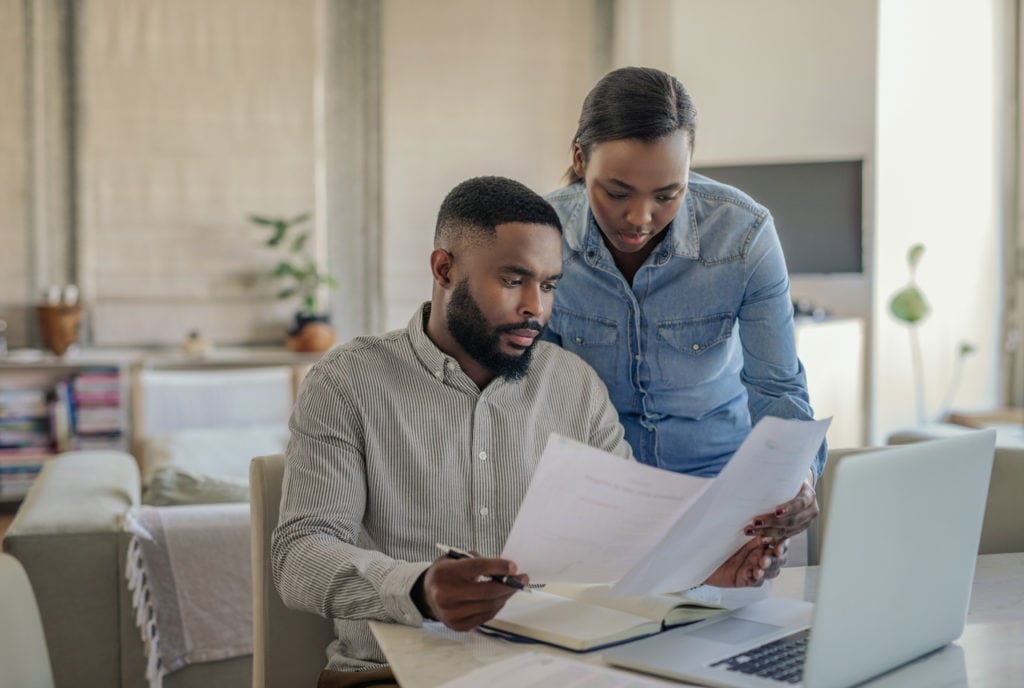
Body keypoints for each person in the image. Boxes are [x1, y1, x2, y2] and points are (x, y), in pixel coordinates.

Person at [272, 176, 787, 685]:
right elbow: (300, 554)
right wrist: (419, 589)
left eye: (548, 285)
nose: (535, 308)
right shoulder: (347, 382)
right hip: (390, 675)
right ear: (443, 268)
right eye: (514, 280)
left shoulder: (574, 386)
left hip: (555, 670)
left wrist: (704, 567)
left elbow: (629, 534)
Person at [542, 66, 824, 542]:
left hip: (721, 491)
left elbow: (778, 389)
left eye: (667, 194)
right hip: (594, 493)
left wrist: (798, 478)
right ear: (579, 159)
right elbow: (529, 392)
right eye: (616, 193)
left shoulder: (744, 235)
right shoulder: (540, 234)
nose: (640, 218)